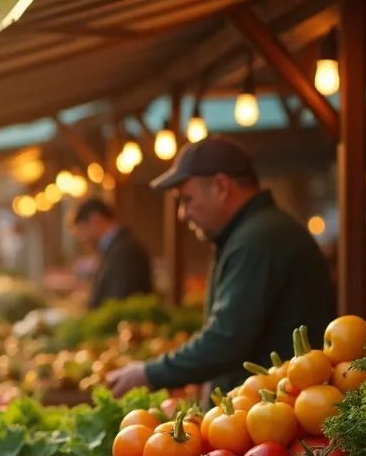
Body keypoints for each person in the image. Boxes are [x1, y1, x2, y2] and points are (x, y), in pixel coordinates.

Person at [106, 135, 335, 399]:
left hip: (273, 410)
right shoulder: (254, 233)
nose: (183, 214)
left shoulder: (258, 239)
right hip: (263, 407)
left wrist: (149, 374)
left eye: (187, 199)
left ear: (221, 186)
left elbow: (227, 338)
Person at [70, 198, 154, 309]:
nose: (81, 238)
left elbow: (119, 301)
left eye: (81, 229)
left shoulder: (125, 249)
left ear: (95, 219)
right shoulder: (115, 248)